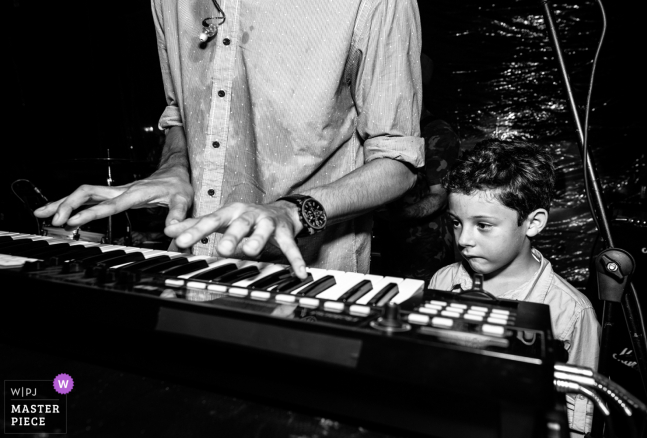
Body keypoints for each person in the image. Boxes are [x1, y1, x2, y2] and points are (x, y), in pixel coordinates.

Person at [34, 0, 425, 279]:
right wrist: (175, 167)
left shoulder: (376, 4)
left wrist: (293, 211)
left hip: (308, 284)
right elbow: (181, 117)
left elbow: (398, 163)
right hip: (186, 270)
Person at [429, 139, 600, 436]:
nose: (463, 240)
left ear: (532, 223)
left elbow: (576, 419)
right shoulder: (443, 281)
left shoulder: (571, 312)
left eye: (483, 225)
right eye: (456, 222)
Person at [374, 54, 460, 282]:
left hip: (427, 250)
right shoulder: (394, 135)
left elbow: (439, 197)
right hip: (395, 246)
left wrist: (393, 216)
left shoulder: (438, 134)